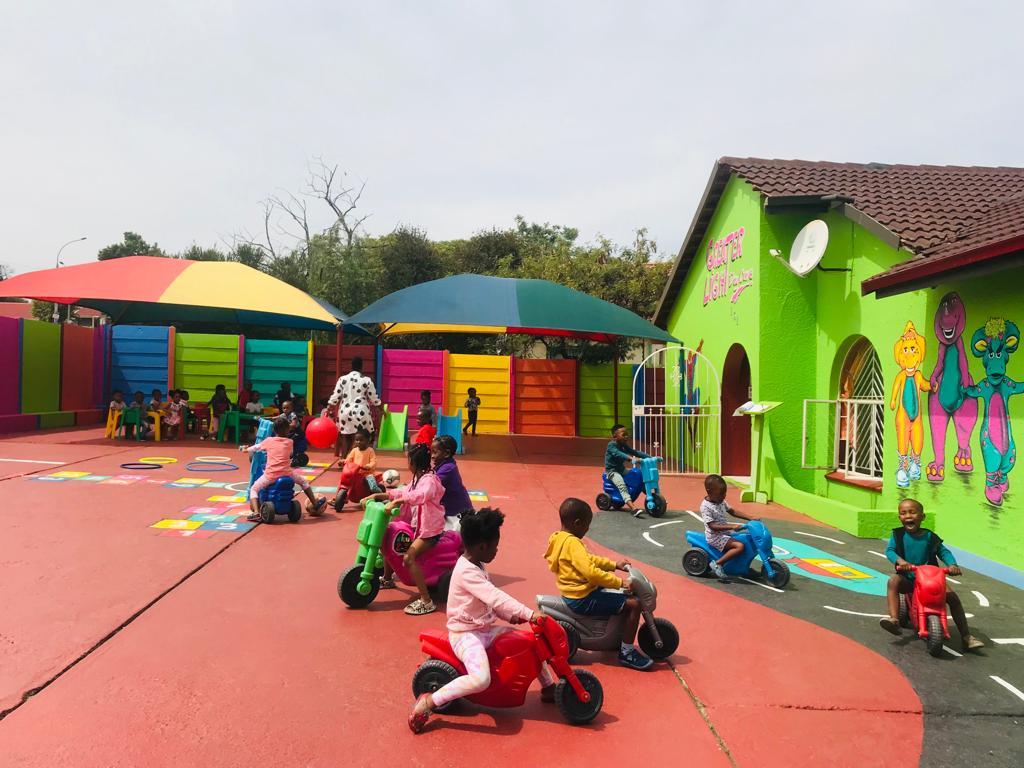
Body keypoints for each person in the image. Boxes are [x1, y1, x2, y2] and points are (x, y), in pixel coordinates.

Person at [408, 508, 556, 733]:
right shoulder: (467, 572)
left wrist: (510, 615)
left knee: (530, 642)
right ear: (482, 546)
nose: (497, 550)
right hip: (465, 635)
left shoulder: (477, 563)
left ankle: (549, 687)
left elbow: (488, 602)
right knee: (481, 679)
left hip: (483, 629)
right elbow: (495, 596)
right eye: (495, 546)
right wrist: (529, 614)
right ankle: (429, 702)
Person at [545, 497, 652, 670]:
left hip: (574, 592)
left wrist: (613, 565)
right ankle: (627, 653)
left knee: (616, 595)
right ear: (577, 523)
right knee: (634, 604)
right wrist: (620, 582)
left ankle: (614, 636)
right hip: (582, 596)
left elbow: (589, 560)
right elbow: (591, 572)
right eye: (587, 525)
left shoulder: (559, 539)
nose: (587, 529)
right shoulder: (573, 543)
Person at [879, 498, 984, 650]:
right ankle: (894, 619)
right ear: (899, 517)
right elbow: (890, 551)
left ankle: (967, 637)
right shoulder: (897, 535)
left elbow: (944, 552)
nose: (908, 516)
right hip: (908, 578)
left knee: (953, 598)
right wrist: (900, 561)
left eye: (912, 512)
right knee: (893, 581)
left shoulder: (930, 537)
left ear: (922, 516)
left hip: (930, 579)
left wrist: (952, 565)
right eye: (903, 513)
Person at [365, 443, 445, 615]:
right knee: (388, 541)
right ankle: (387, 578)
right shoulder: (417, 479)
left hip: (430, 531)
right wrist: (379, 495)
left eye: (408, 460)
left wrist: (398, 501)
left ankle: (426, 601)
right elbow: (403, 492)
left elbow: (421, 495)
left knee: (409, 558)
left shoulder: (430, 480)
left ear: (413, 463)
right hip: (417, 527)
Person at [240, 416, 325, 521]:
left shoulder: (269, 441)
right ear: (287, 430)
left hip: (271, 475)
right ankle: (315, 503)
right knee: (303, 482)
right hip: (287, 473)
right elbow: (290, 454)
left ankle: (256, 513)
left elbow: (256, 447)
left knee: (254, 488)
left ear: (274, 430)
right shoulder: (290, 442)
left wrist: (246, 449)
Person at [700, 474, 757, 581]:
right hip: (715, 537)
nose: (724, 496)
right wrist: (732, 526)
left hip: (725, 534)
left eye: (725, 493)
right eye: (721, 494)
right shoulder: (705, 506)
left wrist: (750, 518)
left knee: (747, 540)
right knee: (739, 546)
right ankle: (718, 564)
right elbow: (712, 526)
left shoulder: (721, 501)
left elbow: (733, 511)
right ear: (709, 491)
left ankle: (743, 567)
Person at [327, 357, 382, 458]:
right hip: (361, 411)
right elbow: (374, 398)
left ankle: (344, 459)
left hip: (345, 412)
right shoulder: (366, 380)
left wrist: (329, 407)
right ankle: (359, 459)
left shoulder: (342, 379)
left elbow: (336, 396)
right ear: (362, 367)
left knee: (346, 436)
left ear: (351, 366)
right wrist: (381, 410)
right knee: (364, 436)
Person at [605, 423, 650, 517]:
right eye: (623, 435)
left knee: (638, 478)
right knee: (622, 485)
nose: (626, 436)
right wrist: (631, 459)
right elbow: (618, 454)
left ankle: (651, 497)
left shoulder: (623, 445)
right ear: (615, 436)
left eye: (627, 434)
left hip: (621, 469)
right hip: (612, 471)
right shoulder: (611, 445)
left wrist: (650, 457)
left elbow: (634, 452)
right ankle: (633, 509)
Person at [332, 427, 381, 509]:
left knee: (372, 486)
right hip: (354, 473)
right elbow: (349, 459)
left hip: (366, 473)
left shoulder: (370, 451)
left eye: (361, 440)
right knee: (342, 482)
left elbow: (374, 461)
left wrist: (368, 466)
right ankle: (336, 499)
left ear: (368, 440)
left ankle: (380, 496)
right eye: (356, 440)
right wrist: (343, 461)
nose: (358, 442)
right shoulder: (354, 450)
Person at [431, 434, 472, 530]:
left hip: (457, 515)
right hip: (451, 512)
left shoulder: (448, 468)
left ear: (446, 453)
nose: (432, 456)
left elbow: (430, 485)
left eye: (435, 452)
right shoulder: (442, 465)